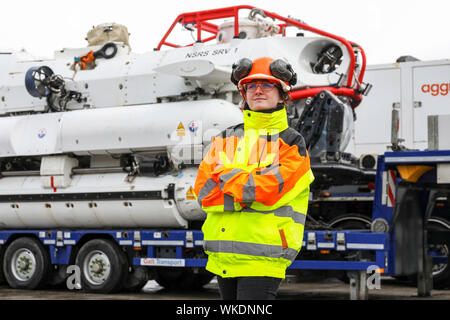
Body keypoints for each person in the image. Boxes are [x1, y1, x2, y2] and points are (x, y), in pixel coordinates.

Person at [194, 57, 314, 300]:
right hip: (222, 256)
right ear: (243, 93)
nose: (257, 90)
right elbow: (204, 194)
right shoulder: (226, 137)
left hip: (263, 258)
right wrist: (246, 185)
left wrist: (226, 177)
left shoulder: (291, 142)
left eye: (267, 85)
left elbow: (268, 191)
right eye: (251, 85)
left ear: (283, 95)